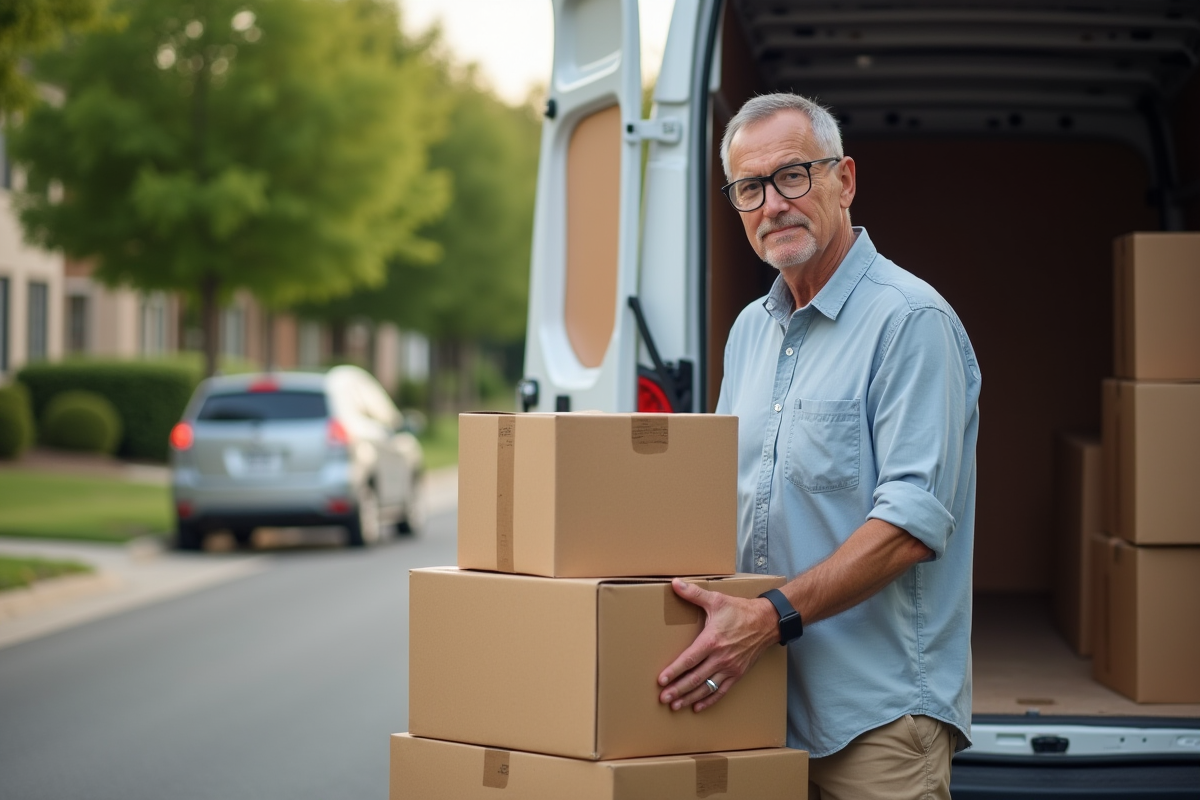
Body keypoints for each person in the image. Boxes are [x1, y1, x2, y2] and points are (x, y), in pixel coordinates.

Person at [656, 93, 980, 800]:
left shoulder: (910, 321)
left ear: (846, 181)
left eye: (794, 175)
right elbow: (720, 497)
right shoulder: (749, 331)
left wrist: (767, 618)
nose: (773, 203)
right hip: (756, 705)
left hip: (877, 722)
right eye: (750, 187)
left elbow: (909, 529)